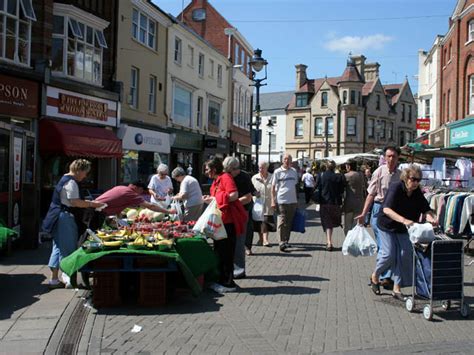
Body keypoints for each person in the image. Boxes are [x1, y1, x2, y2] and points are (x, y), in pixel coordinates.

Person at [370, 165, 437, 300]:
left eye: (418, 180)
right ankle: (375, 276)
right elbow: (386, 209)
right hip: (387, 225)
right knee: (388, 254)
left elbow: (426, 209)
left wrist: (431, 218)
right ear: (406, 178)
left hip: (404, 228)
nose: (416, 182)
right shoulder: (396, 187)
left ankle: (397, 288)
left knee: (405, 254)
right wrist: (404, 220)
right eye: (413, 179)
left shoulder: (417, 191)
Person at [43, 159, 105, 289]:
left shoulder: (63, 179)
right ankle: (69, 279)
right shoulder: (71, 182)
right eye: (85, 172)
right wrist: (93, 204)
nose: (85, 176)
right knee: (69, 249)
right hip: (65, 217)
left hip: (56, 216)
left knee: (58, 247)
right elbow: (75, 202)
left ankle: (54, 279)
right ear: (79, 170)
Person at [355, 146, 402, 289]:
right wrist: (364, 213)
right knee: (384, 246)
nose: (391, 159)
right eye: (388, 156)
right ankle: (383, 276)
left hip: (394, 211)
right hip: (379, 209)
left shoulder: (401, 175)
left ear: (398, 158)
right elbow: (371, 194)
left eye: (394, 156)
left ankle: (383, 275)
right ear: (385, 157)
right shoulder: (379, 172)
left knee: (392, 246)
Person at [202, 157, 247, 293]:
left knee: (226, 253)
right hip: (220, 222)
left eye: (207, 169)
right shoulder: (217, 180)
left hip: (228, 222)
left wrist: (214, 198)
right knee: (220, 252)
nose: (205, 171)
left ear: (214, 169)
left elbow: (234, 195)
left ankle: (229, 283)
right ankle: (221, 280)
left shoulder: (225, 177)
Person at [223, 157, 254, 279]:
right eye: (233, 170)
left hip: (241, 213)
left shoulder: (244, 177)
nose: (237, 172)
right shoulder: (225, 176)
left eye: (236, 169)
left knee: (239, 242)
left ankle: (239, 270)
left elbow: (247, 198)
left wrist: (232, 204)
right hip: (227, 214)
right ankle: (227, 269)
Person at [92, 181, 175, 227]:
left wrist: (119, 220)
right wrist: (168, 212)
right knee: (89, 236)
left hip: (93, 210)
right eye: (141, 191)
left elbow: (116, 202)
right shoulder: (130, 193)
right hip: (96, 213)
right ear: (136, 187)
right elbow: (151, 206)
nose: (140, 194)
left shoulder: (120, 187)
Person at [271, 153, 298, 252]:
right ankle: (281, 242)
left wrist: (297, 200)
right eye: (285, 159)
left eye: (289, 159)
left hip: (292, 201)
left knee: (289, 222)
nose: (287, 161)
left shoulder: (294, 171)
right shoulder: (277, 172)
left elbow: (295, 186)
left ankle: (286, 241)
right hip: (281, 200)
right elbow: (273, 187)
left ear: (291, 161)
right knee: (281, 221)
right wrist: (273, 201)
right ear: (282, 160)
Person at [317, 160, 345, 251]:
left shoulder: (321, 175)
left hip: (324, 202)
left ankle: (329, 242)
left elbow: (317, 187)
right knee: (330, 223)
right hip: (335, 203)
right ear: (334, 167)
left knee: (327, 222)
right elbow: (341, 190)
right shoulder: (339, 177)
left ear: (326, 166)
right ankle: (329, 241)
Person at [251, 161, 274, 247]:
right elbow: (251, 189)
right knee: (258, 222)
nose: (260, 169)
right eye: (259, 168)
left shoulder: (272, 177)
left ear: (266, 168)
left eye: (262, 168)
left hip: (268, 203)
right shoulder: (254, 178)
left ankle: (265, 240)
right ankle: (261, 239)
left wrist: (274, 201)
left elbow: (275, 190)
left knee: (266, 221)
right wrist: (254, 193)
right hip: (257, 203)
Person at [343, 159, 366, 235]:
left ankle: (348, 241)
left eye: (346, 166)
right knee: (357, 225)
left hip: (349, 203)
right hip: (360, 202)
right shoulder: (361, 175)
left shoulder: (346, 176)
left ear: (349, 166)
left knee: (347, 225)